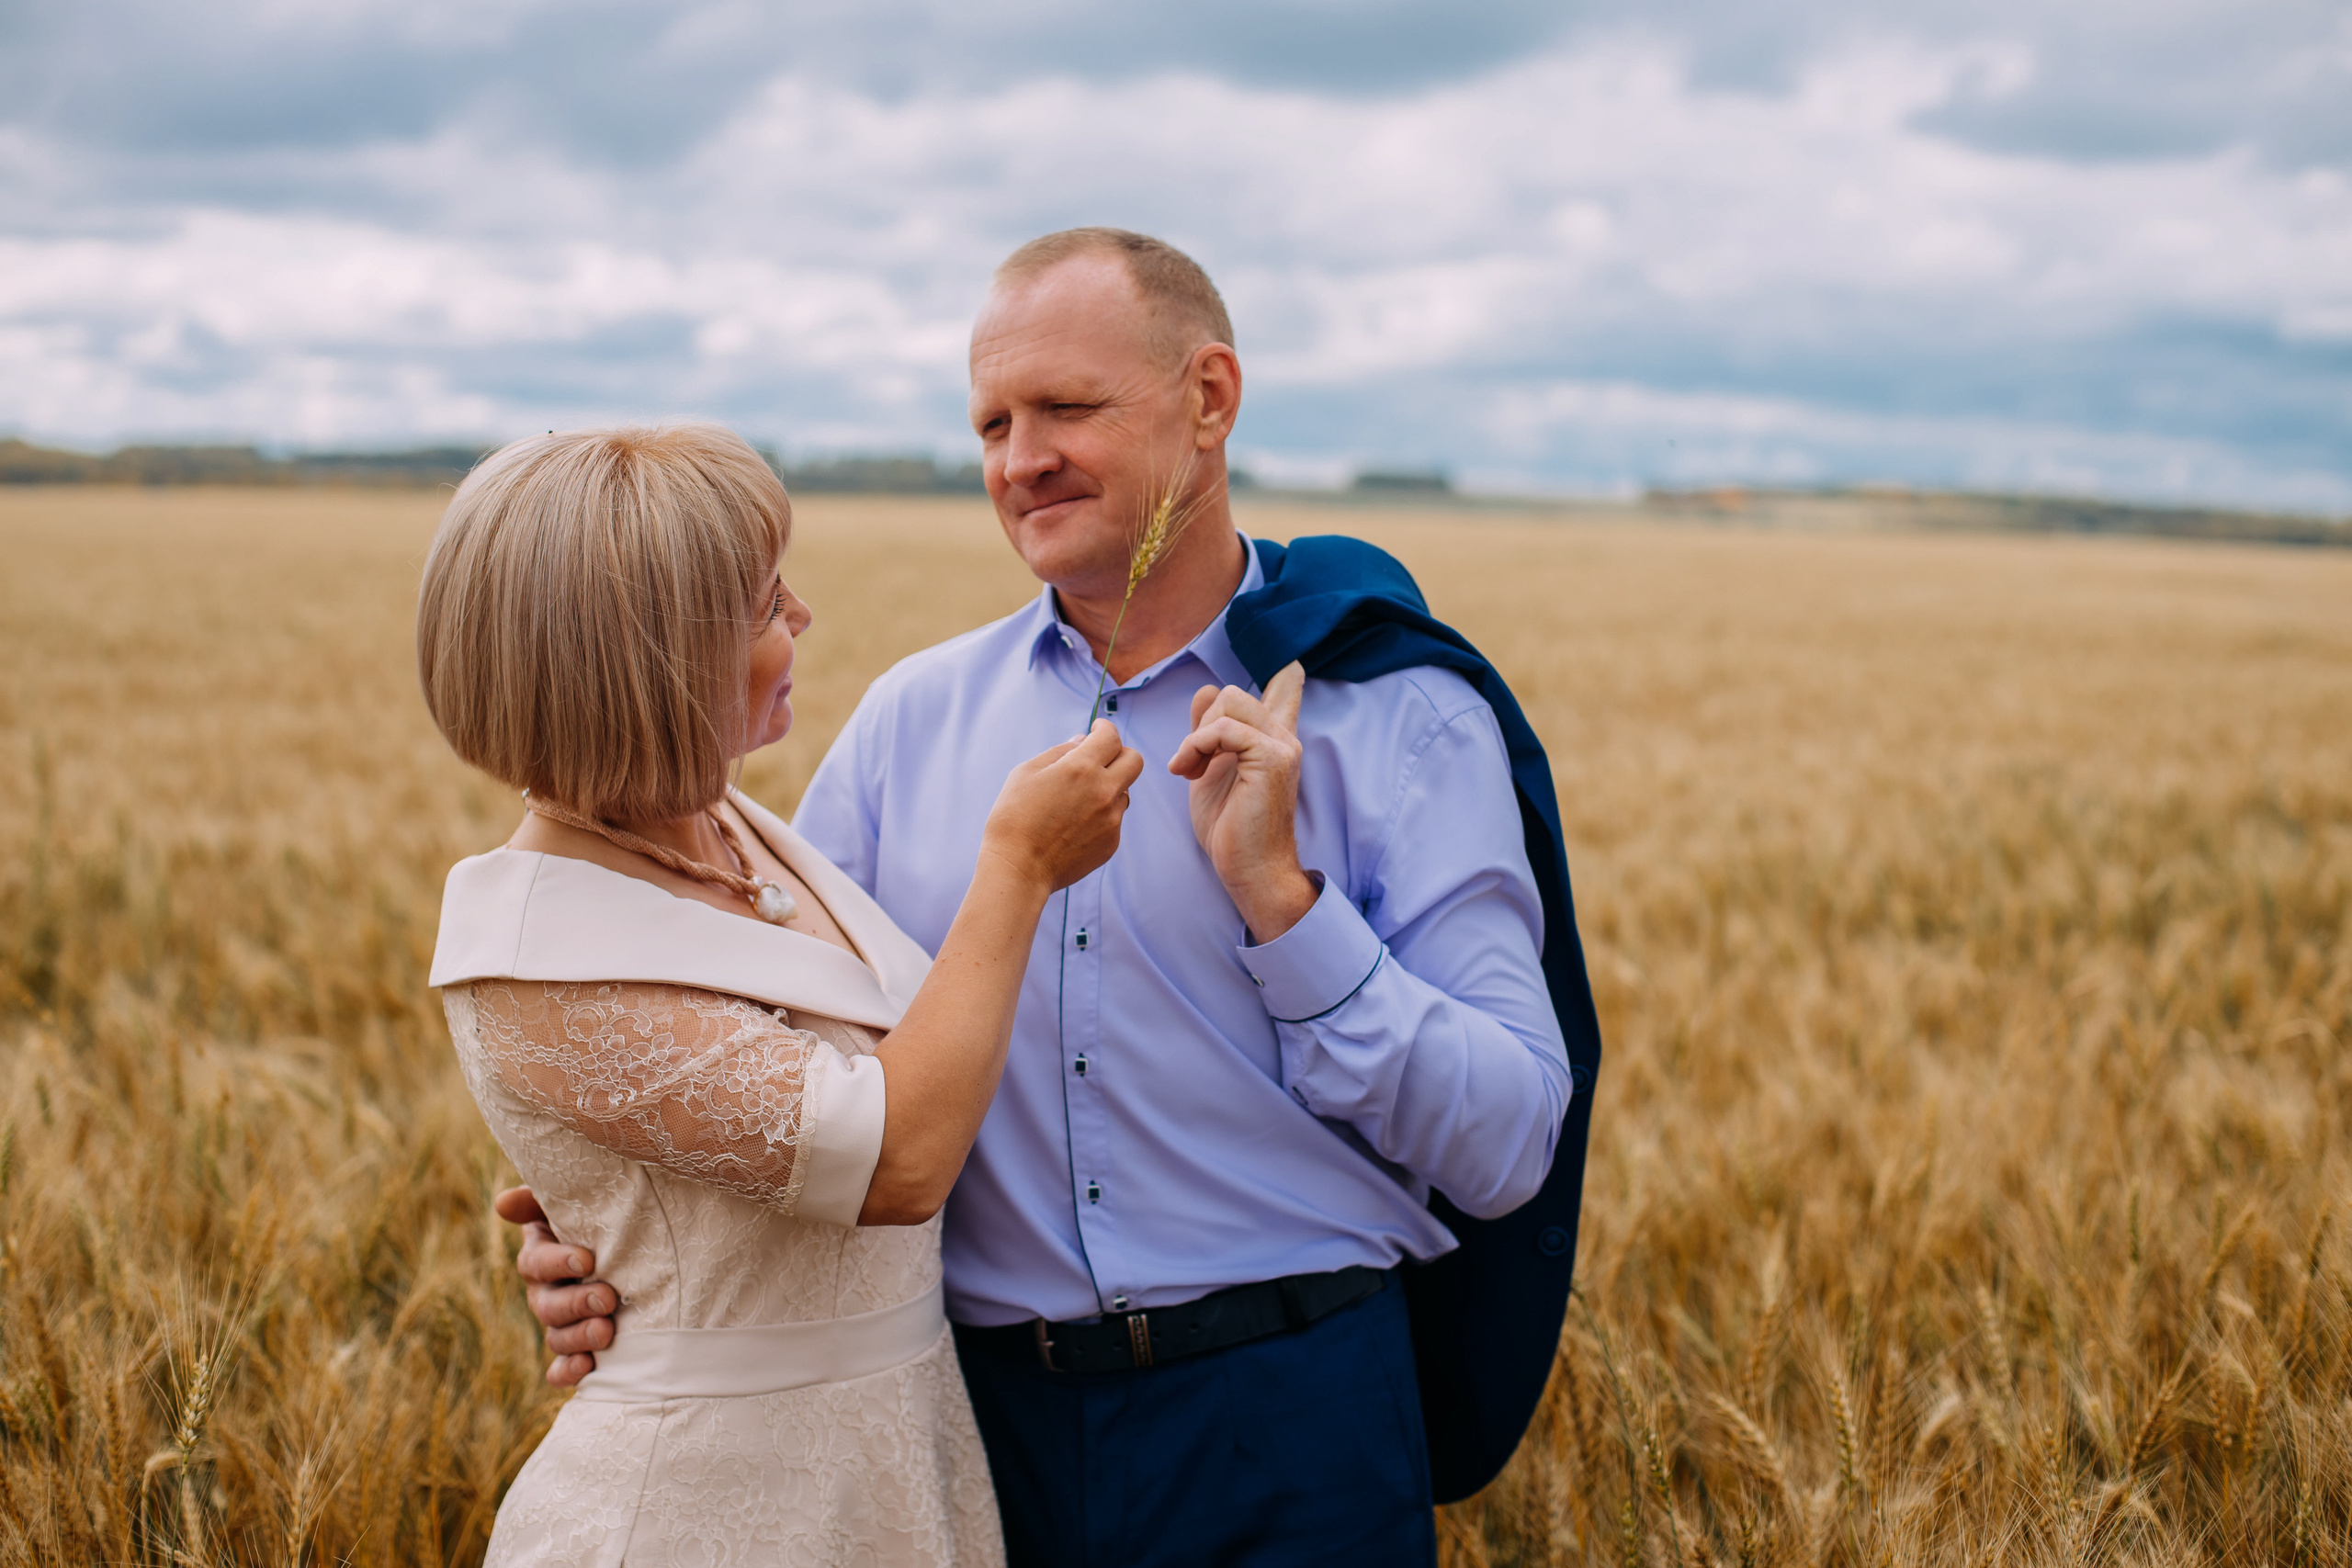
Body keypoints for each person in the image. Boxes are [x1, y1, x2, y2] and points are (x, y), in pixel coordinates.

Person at [508, 231, 1580, 1566]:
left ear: (1210, 397)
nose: (1021, 459)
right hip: (968, 1428)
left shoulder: (1403, 716)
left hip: (1295, 1420)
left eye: (1068, 408)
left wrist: (1289, 909)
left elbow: (1510, 1142)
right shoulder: (910, 721)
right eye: (993, 422)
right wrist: (609, 1246)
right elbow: (767, 1066)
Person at [419, 423, 1144, 1566]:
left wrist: (627, 1236)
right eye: (762, 606)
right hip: (705, 1514)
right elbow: (895, 1161)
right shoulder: (528, 953)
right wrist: (1019, 871)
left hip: (894, 1469)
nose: (800, 616)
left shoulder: (728, 825)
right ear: (648, 665)